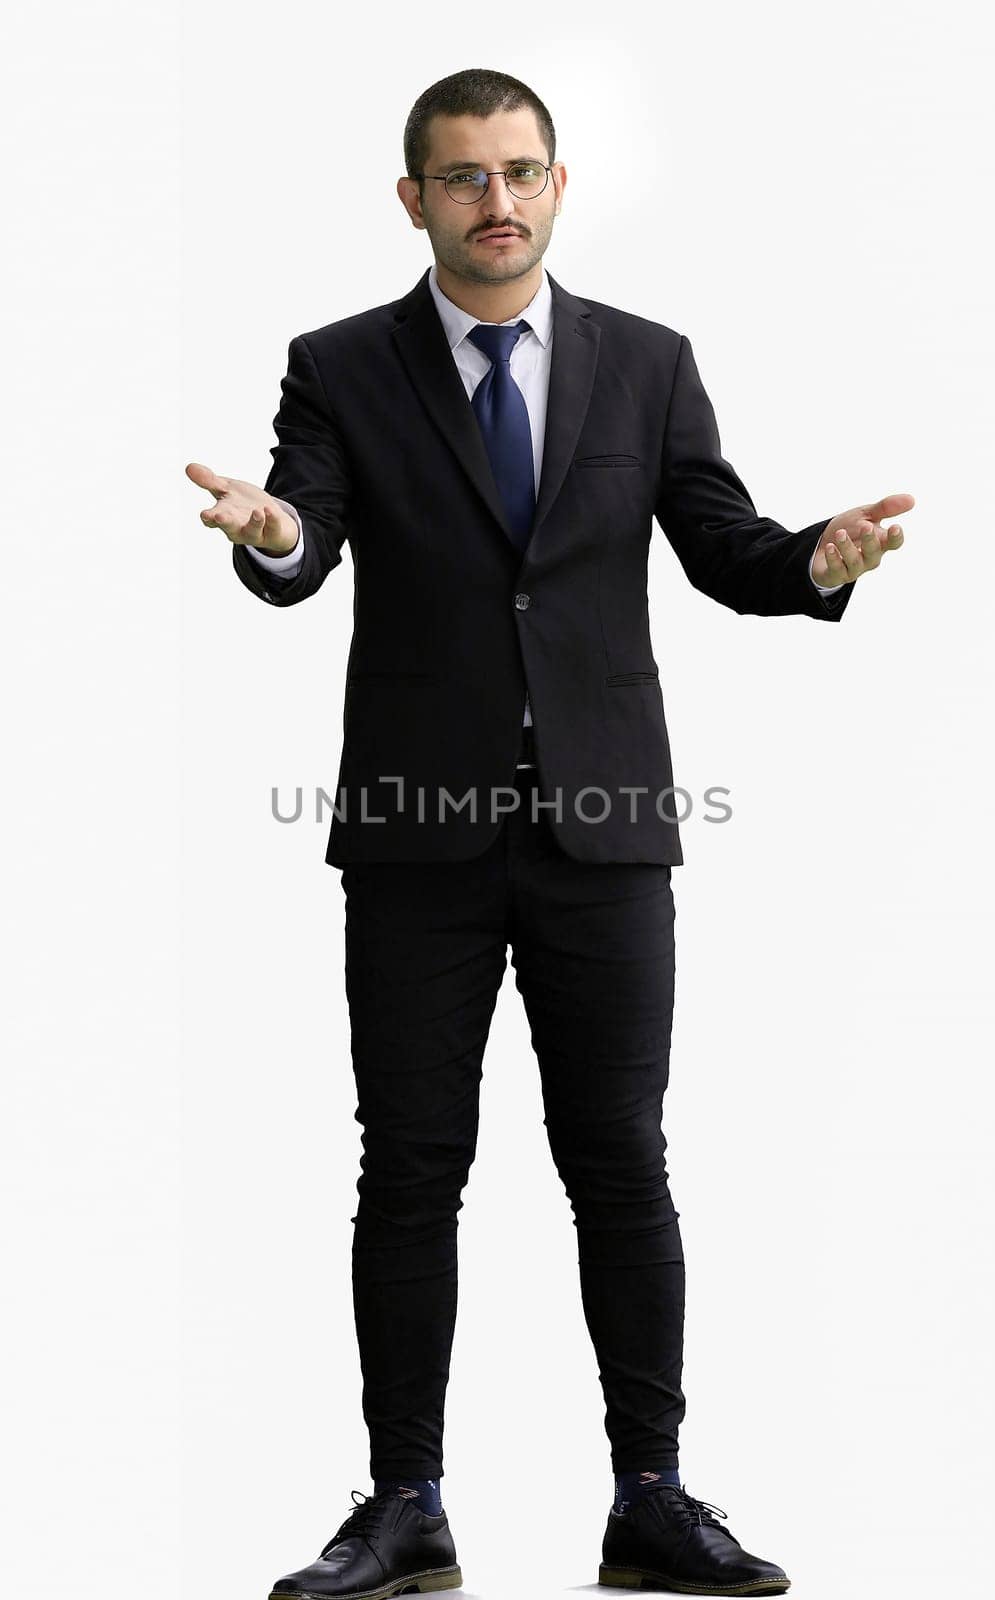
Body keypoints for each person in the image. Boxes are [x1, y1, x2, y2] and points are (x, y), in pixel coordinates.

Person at [186, 67, 910, 1600]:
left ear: (560, 186)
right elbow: (302, 537)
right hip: (413, 837)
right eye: (463, 178)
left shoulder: (646, 365)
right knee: (411, 1168)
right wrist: (274, 532)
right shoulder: (341, 365)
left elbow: (722, 546)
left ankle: (651, 1494)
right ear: (417, 200)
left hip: (606, 831)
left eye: (521, 172)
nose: (495, 201)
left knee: (621, 1163)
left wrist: (814, 563)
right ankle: (404, 1502)